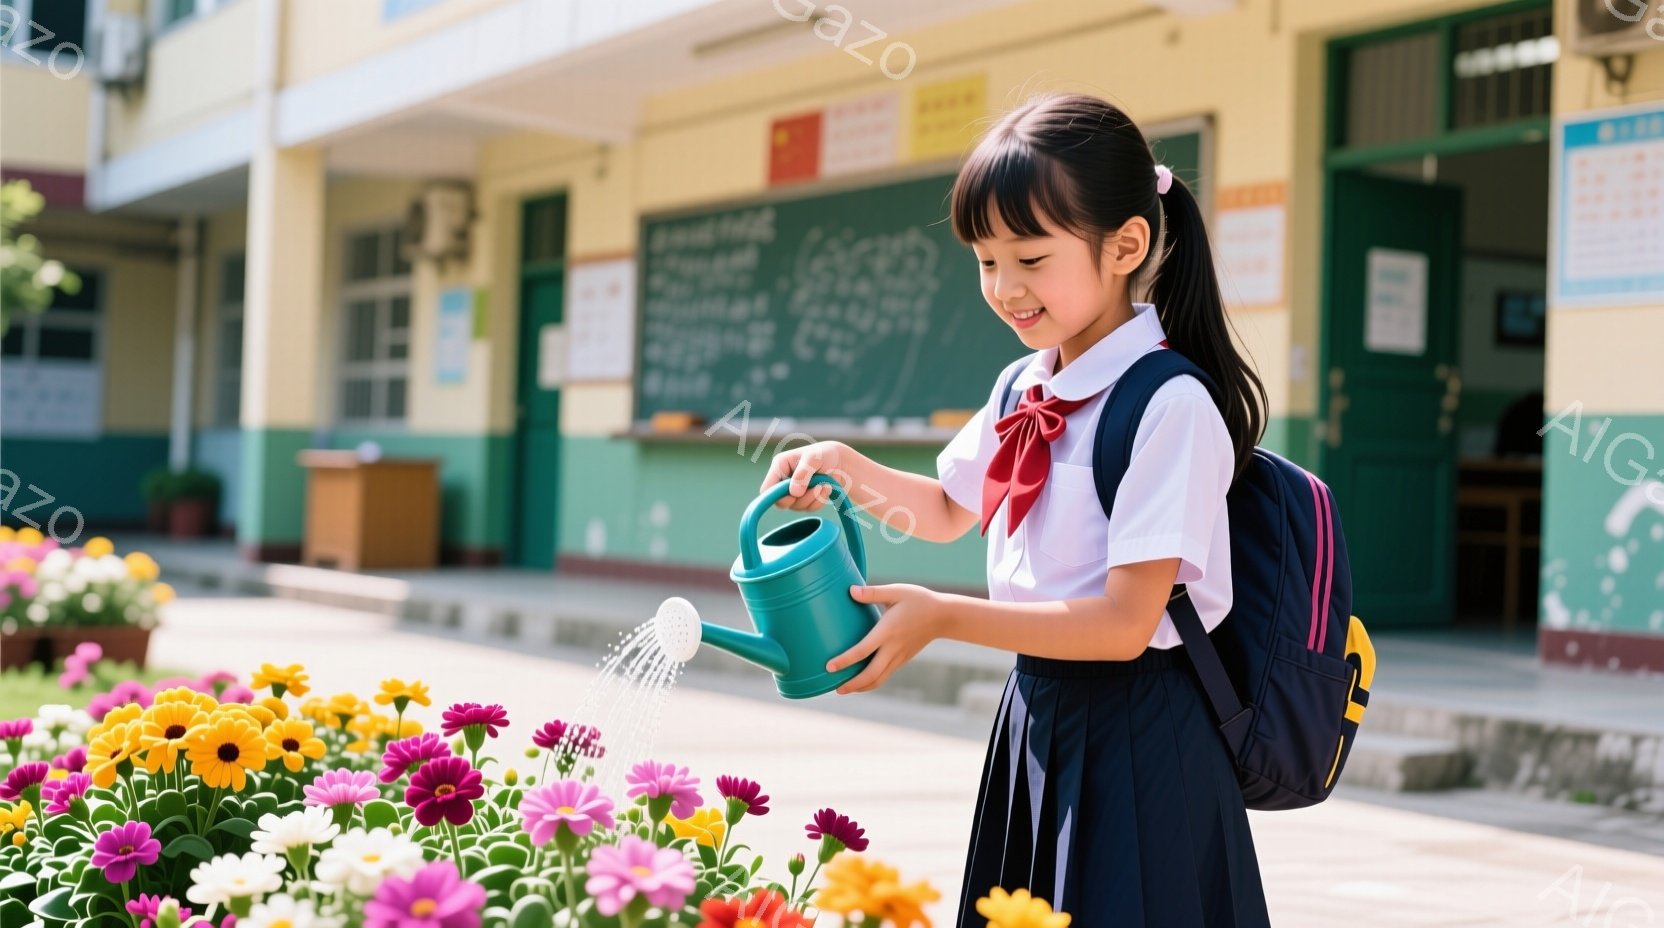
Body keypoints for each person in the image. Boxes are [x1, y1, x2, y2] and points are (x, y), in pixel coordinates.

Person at [758, 93, 1271, 927]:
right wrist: (845, 468)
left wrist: (943, 618)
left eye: (1030, 258)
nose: (1004, 288)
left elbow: (1125, 624)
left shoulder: (1170, 404)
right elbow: (946, 510)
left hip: (1143, 734)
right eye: (986, 260)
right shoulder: (1022, 386)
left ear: (1125, 246)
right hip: (1038, 713)